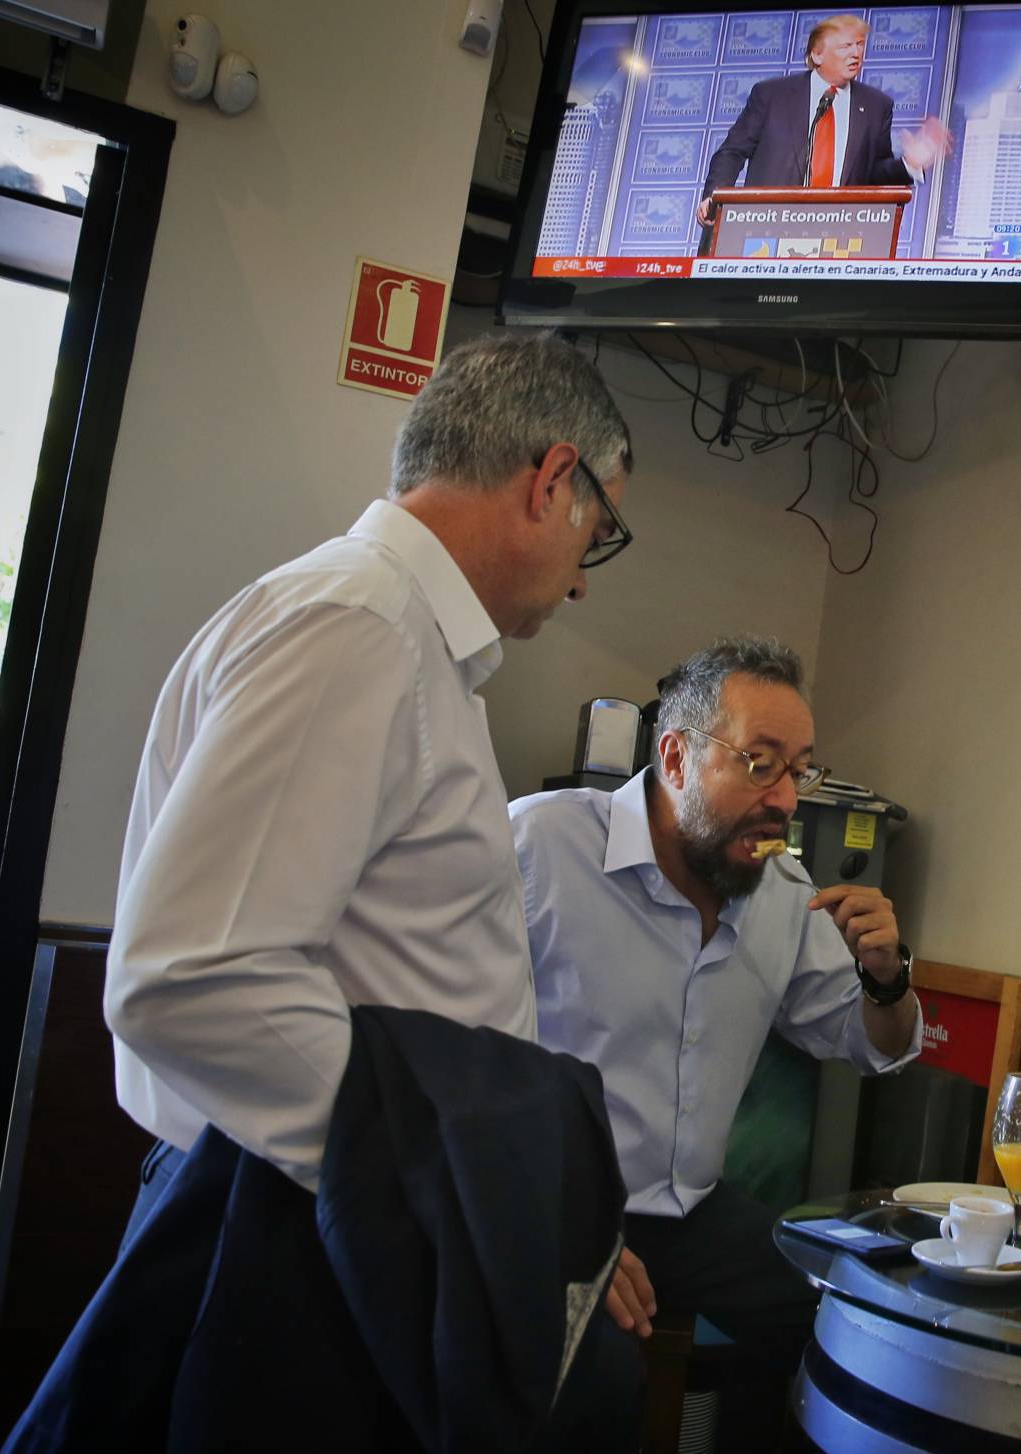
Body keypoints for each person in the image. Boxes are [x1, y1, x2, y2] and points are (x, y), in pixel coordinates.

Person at [107, 329, 633, 1228]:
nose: (584, 583)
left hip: (318, 1199)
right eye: (602, 532)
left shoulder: (399, 635)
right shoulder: (362, 627)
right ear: (551, 482)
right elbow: (192, 978)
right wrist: (445, 1176)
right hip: (285, 1219)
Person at [510, 635, 923, 1431]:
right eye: (759, 762)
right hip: (547, 1204)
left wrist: (886, 977)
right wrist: (559, 1228)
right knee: (591, 1388)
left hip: (692, 1213)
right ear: (675, 758)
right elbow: (451, 1055)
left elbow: (870, 1042)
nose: (786, 799)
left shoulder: (783, 893)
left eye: (799, 769)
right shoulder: (538, 848)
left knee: (854, 1327)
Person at [696, 12, 952, 230]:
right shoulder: (771, 95)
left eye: (860, 45)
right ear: (817, 55)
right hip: (766, 228)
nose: (856, 53)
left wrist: (909, 165)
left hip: (839, 233)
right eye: (846, 46)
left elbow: (874, 175)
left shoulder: (877, 106)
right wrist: (715, 196)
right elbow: (732, 151)